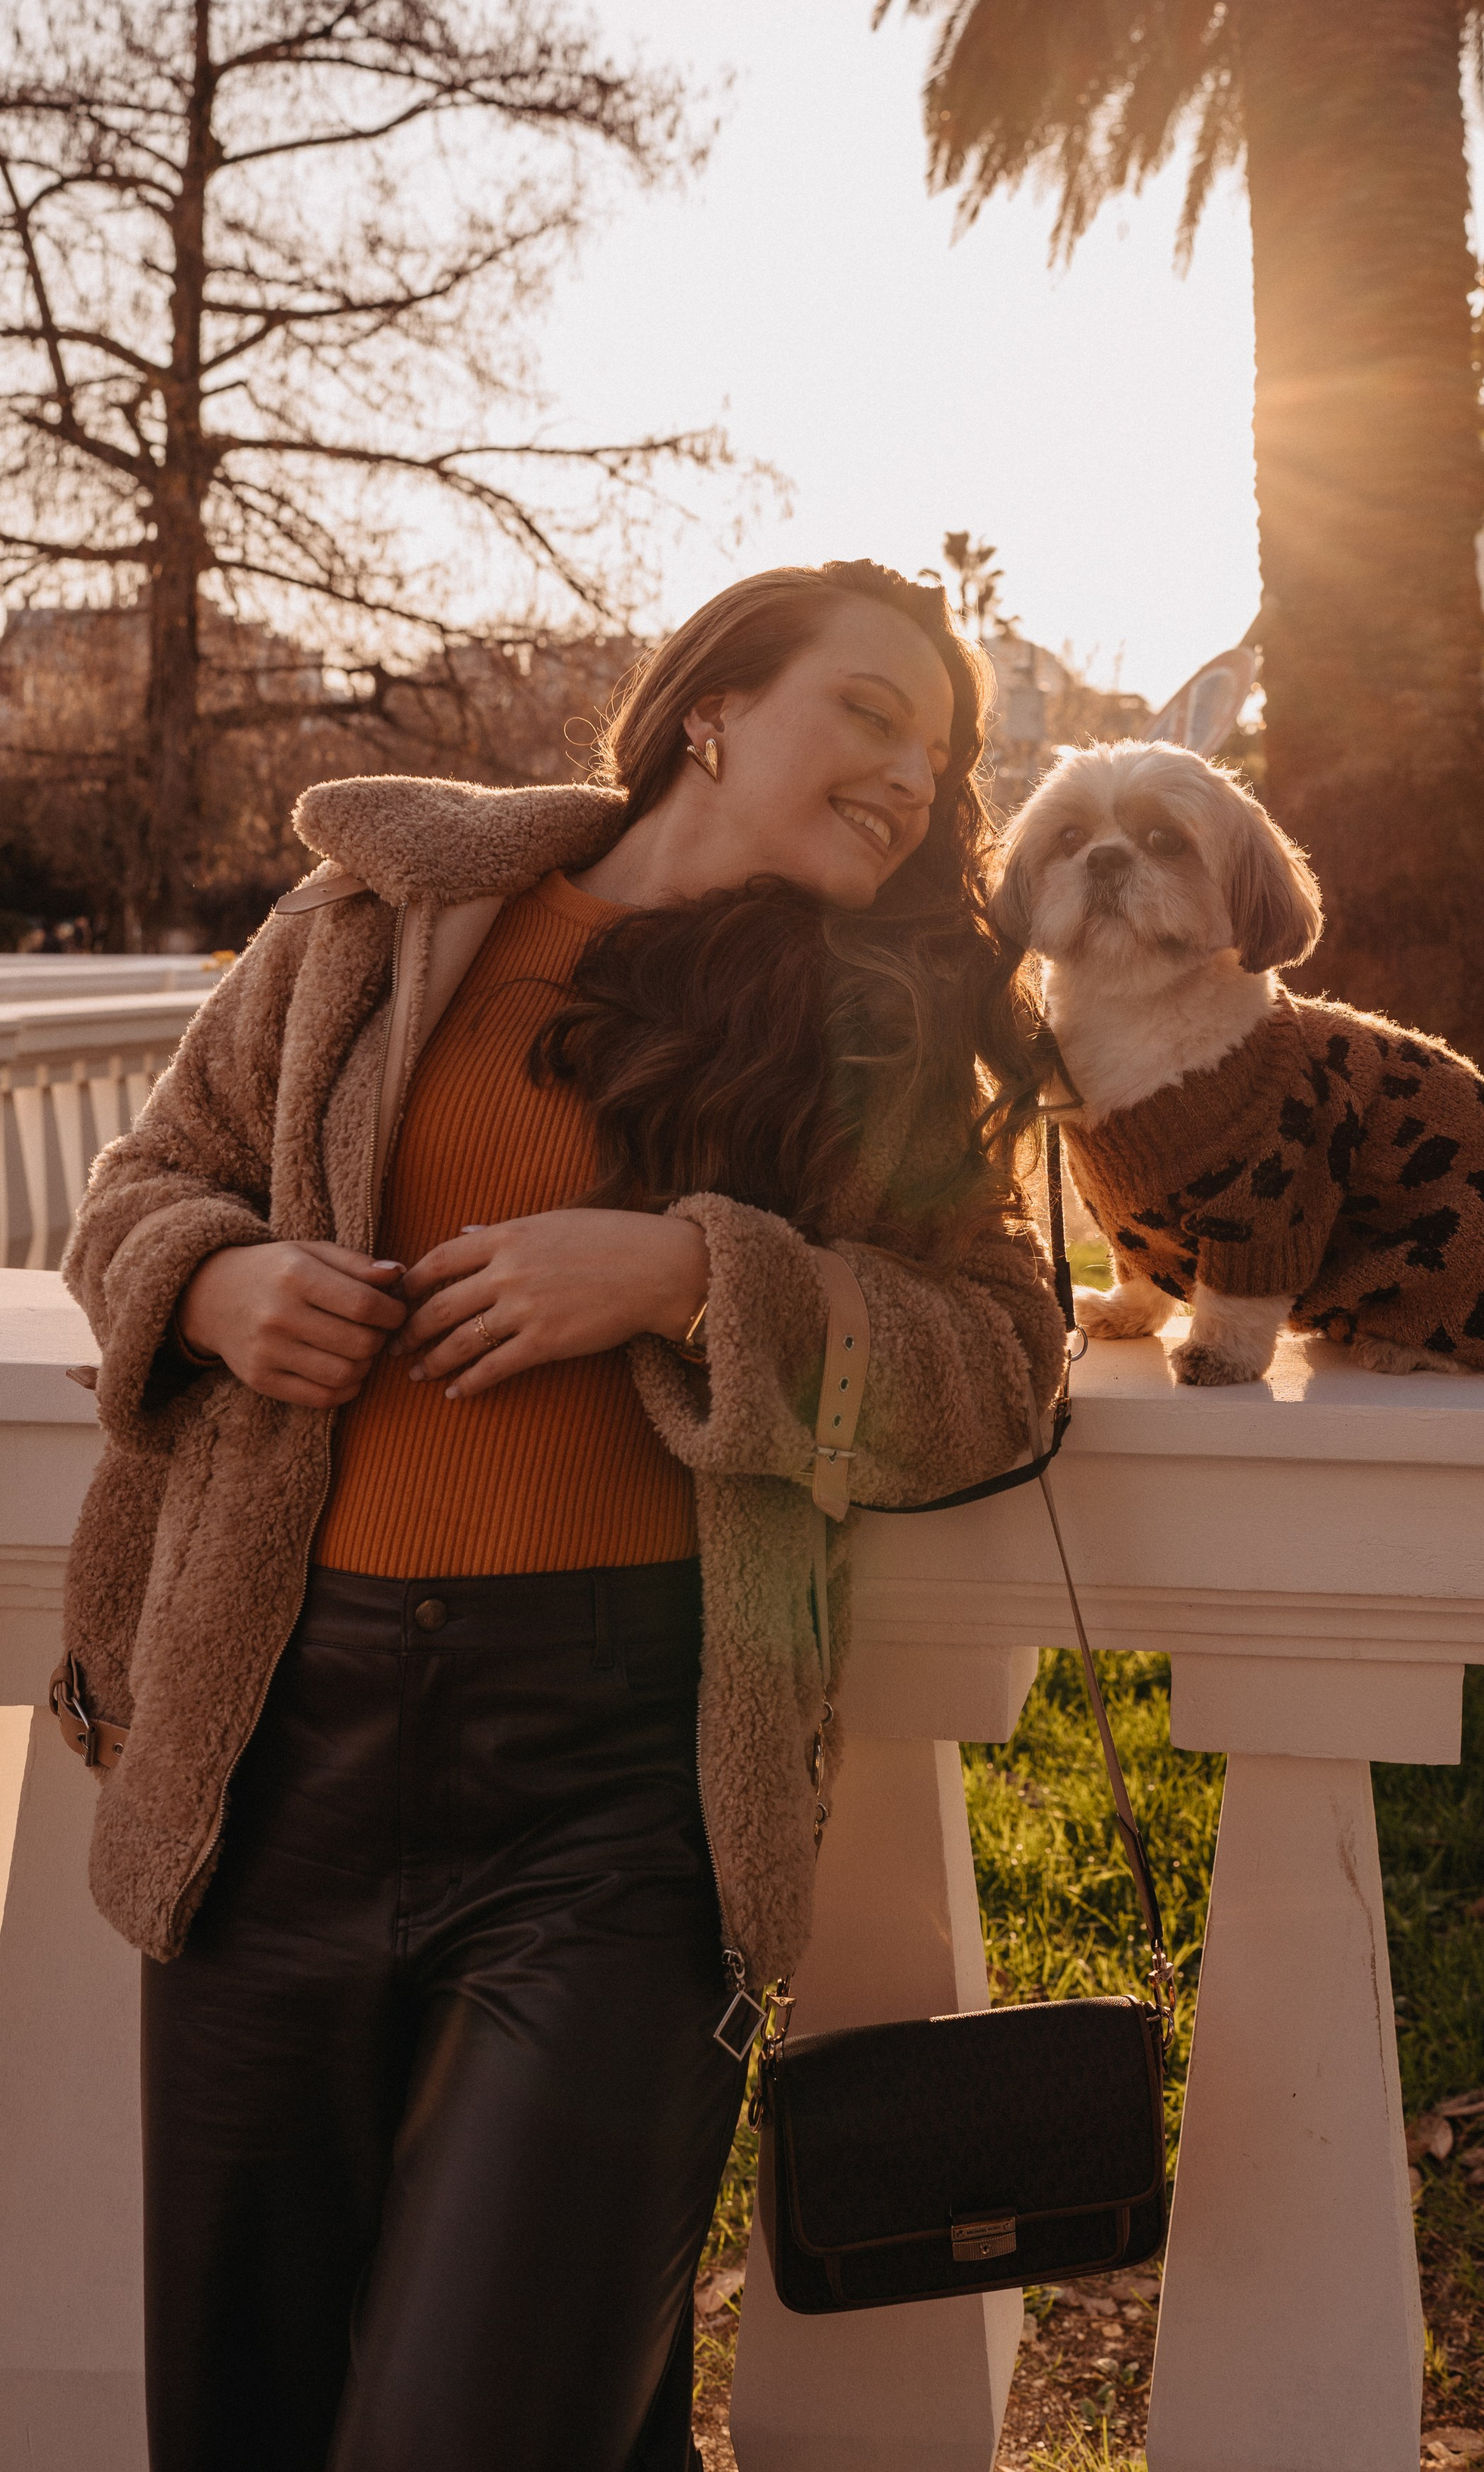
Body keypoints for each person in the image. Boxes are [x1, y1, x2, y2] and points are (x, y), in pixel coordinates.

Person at [57, 561, 1065, 2472]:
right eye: (868, 712)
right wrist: (208, 1287)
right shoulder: (378, 925)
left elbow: (1001, 1360)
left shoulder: (877, 1024)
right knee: (244, 2420)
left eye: (938, 756)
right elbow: (144, 1181)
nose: (912, 778)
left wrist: (689, 1278)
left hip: (620, 1805)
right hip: (270, 1759)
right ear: (711, 710)